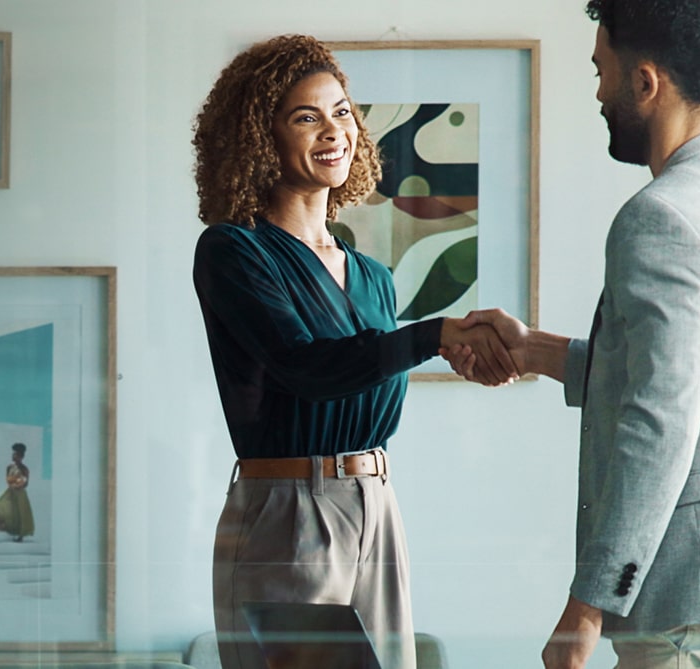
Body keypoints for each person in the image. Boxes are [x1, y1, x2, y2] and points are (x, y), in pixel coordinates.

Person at [445, 2, 700, 667]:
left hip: (699, 591)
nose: (598, 91)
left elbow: (660, 421)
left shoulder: (661, 218)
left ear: (646, 82)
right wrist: (535, 351)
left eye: (602, 71)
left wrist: (587, 605)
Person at [191, 34, 520, 669]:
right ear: (261, 135)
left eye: (341, 112)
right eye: (305, 117)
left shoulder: (373, 276)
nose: (333, 131)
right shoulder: (234, 251)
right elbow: (307, 369)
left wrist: (465, 354)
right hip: (290, 509)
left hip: (376, 500)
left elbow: (370, 379)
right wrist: (433, 335)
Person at [0, 443, 36, 542]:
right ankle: (5, 528)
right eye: (13, 454)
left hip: (20, 493)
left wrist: (19, 484)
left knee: (20, 513)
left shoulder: (24, 469)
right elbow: (8, 479)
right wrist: (12, 484)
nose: (14, 456)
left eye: (16, 454)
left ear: (21, 457)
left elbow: (26, 483)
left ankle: (21, 536)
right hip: (10, 491)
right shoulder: (9, 467)